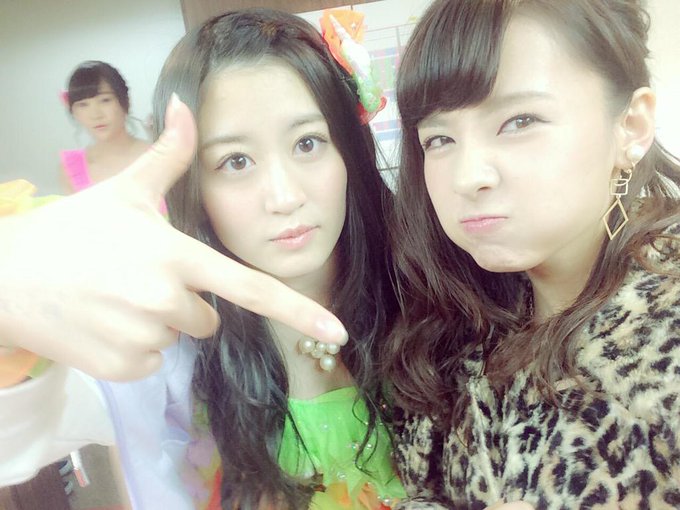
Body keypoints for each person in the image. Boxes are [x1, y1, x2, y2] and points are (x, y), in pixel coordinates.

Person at [1, 8, 405, 510]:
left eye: (307, 143)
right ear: (196, 185)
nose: (284, 196)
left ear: (348, 150)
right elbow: (13, 444)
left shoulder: (427, 301)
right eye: (236, 161)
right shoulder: (167, 341)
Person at [383, 0, 680, 509]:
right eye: (439, 138)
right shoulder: (454, 325)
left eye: (520, 121)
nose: (467, 177)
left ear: (631, 127)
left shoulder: (664, 337)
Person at [60, 61, 149, 193]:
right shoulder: (71, 169)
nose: (96, 115)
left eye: (105, 100)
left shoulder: (157, 156)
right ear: (74, 112)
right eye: (83, 105)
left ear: (126, 101)